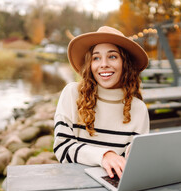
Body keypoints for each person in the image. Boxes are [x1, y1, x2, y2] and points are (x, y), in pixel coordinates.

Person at [53, 26, 149, 179]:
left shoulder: (139, 108)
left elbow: (133, 163)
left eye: (112, 56)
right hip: (74, 186)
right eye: (96, 58)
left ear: (125, 63)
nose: (103, 64)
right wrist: (105, 156)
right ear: (89, 64)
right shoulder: (72, 94)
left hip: (117, 189)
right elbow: (62, 148)